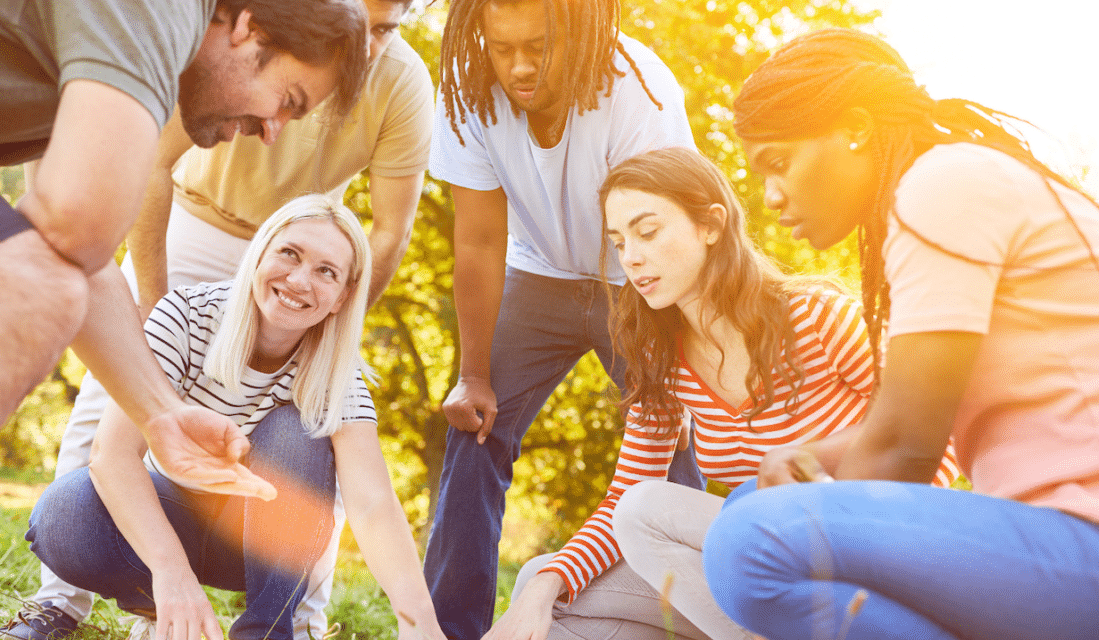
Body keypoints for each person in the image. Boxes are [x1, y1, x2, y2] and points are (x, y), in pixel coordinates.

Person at [0, 1, 433, 637]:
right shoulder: (231, 43)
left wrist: (332, 327)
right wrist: (154, 302)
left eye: (387, 30)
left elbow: (391, 229)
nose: (369, 45)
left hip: (305, 240)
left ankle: (287, 624)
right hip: (197, 221)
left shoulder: (402, 85)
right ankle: (61, 604)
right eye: (360, 23)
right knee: (110, 394)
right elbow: (151, 165)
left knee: (311, 425)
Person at [0, 0, 368, 538]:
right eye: (287, 100)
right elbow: (73, 225)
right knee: (25, 298)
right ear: (246, 28)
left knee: (35, 291)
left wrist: (160, 412)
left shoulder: (102, 61)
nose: (273, 131)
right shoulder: (160, 12)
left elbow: (66, 254)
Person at [696, 28, 1099, 640]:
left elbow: (907, 445)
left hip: (1081, 542)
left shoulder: (944, 185)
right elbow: (906, 423)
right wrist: (805, 460)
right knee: (750, 503)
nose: (771, 196)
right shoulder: (949, 184)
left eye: (779, 163)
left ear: (856, 129)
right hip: (1053, 538)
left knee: (752, 542)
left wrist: (807, 504)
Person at [486, 147, 960, 640]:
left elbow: (934, 430)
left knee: (646, 509)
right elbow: (618, 500)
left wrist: (885, 545)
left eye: (647, 232)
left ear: (711, 225)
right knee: (544, 589)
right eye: (619, 242)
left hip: (863, 557)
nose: (632, 257)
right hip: (763, 570)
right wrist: (546, 585)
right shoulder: (661, 361)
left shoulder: (816, 319)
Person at [26, 195, 447, 640]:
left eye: (327, 271)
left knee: (296, 430)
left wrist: (420, 623)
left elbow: (373, 503)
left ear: (343, 296)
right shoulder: (186, 315)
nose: (300, 280)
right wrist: (173, 578)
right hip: (169, 518)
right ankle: (162, 608)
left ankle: (266, 631)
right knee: (64, 512)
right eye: (290, 253)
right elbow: (112, 457)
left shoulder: (339, 377)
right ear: (260, 252)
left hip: (260, 544)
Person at [424, 1, 703, 636]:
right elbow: (478, 241)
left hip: (636, 281)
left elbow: (667, 240)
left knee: (676, 440)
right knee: (473, 423)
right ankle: (448, 628)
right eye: (503, 48)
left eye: (540, 47)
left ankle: (686, 620)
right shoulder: (468, 90)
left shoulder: (641, 93)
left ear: (578, 34)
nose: (519, 67)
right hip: (538, 270)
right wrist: (472, 375)